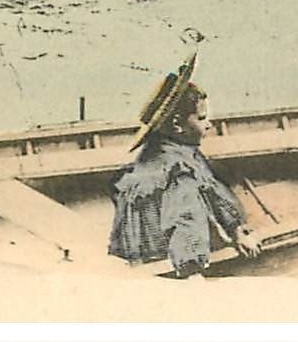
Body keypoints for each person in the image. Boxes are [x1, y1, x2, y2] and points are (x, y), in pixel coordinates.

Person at [107, 53, 262, 276]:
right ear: (178, 125)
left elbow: (212, 192)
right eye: (202, 118)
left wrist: (236, 229)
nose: (209, 124)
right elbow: (184, 217)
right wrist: (192, 269)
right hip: (168, 257)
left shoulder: (168, 151)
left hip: (148, 252)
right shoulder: (177, 171)